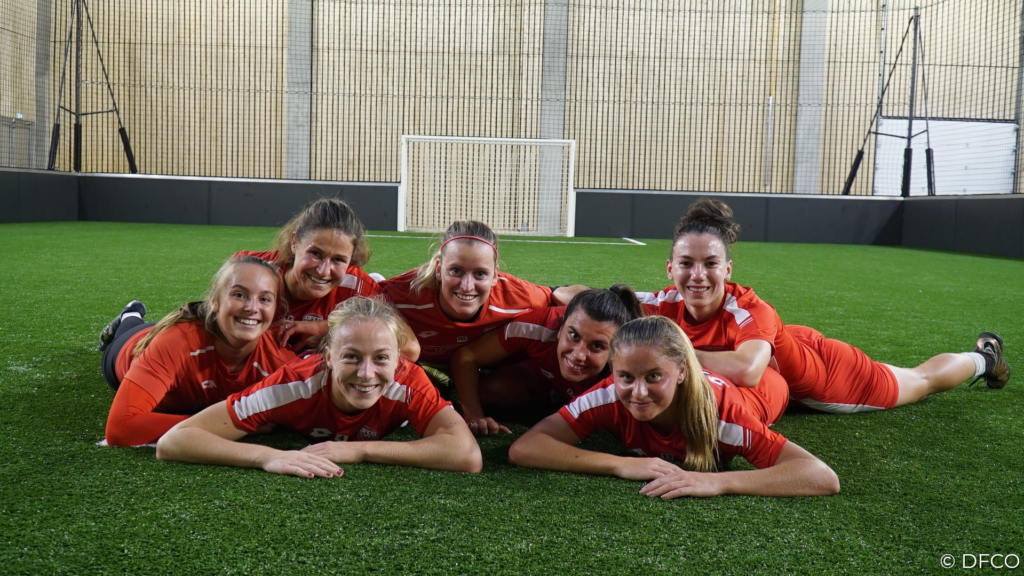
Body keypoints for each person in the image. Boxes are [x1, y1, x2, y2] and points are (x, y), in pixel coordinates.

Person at [641, 198, 1010, 413]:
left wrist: (667, 355)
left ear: (728, 269)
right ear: (670, 268)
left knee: (920, 380)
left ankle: (985, 358)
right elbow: (581, 294)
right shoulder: (662, 302)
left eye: (711, 264)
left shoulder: (752, 310)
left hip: (824, 374)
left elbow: (748, 370)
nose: (698, 276)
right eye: (687, 263)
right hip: (784, 344)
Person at [508, 316, 838, 498]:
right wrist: (618, 465)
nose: (637, 392)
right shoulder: (609, 394)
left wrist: (719, 482)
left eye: (654, 376)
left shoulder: (724, 419)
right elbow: (526, 447)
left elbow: (821, 477)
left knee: (867, 382)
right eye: (625, 376)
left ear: (681, 370)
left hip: (769, 386)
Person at [155, 297, 483, 477]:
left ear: (399, 360)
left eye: (381, 358)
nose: (367, 373)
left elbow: (466, 454)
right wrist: (266, 457)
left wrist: (360, 450)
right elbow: (175, 441)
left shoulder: (409, 381)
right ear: (328, 357)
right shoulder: (293, 386)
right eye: (351, 357)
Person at [100, 255, 297, 446]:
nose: (252, 308)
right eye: (239, 295)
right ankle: (129, 316)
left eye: (265, 299)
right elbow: (120, 428)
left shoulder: (279, 360)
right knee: (127, 330)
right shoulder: (178, 341)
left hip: (180, 331)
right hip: (130, 346)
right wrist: (223, 423)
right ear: (215, 300)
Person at [379, 220, 587, 364]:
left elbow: (560, 293)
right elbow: (362, 297)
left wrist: (605, 299)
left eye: (480, 274)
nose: (467, 286)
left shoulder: (516, 296)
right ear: (438, 269)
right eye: (456, 271)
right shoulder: (402, 292)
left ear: (495, 276)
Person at [234, 198, 418, 358]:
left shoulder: (357, 286)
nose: (323, 271)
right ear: (294, 242)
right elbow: (217, 322)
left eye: (338, 259)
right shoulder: (253, 270)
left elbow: (410, 348)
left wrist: (327, 328)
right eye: (315, 253)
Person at [450, 286, 644, 436]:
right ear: (560, 329)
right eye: (573, 336)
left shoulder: (630, 366)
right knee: (489, 390)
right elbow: (466, 356)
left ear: (615, 351)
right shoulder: (538, 326)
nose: (578, 354)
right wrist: (474, 415)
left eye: (597, 346)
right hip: (541, 376)